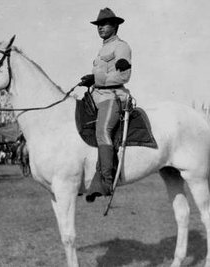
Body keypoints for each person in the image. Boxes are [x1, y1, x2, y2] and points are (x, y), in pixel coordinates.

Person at [79, 8, 132, 202]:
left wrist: (96, 78)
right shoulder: (102, 49)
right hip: (97, 96)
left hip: (113, 96)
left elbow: (123, 75)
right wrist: (92, 81)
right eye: (98, 24)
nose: (100, 27)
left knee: (102, 131)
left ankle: (106, 181)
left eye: (105, 24)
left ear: (115, 26)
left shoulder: (121, 47)